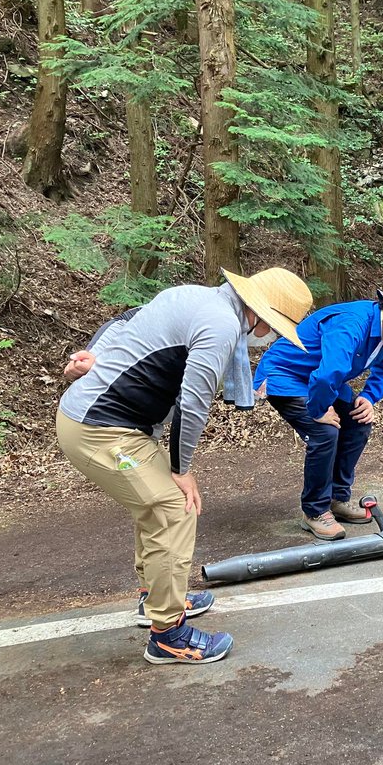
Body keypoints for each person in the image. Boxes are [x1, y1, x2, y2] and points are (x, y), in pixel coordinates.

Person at [57, 267, 313, 664]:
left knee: (156, 506)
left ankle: (156, 598)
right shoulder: (221, 326)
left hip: (114, 425)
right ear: (262, 317)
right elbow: (193, 403)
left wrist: (97, 354)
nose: (273, 336)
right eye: (278, 328)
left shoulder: (196, 295)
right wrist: (182, 468)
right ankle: (168, 635)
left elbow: (124, 319)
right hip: (101, 430)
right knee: (173, 509)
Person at [255, 285, 383, 541]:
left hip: (322, 379)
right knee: (324, 431)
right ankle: (315, 511)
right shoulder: (352, 324)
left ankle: (336, 498)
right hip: (285, 374)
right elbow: (330, 372)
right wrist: (318, 410)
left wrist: (368, 397)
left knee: (358, 422)